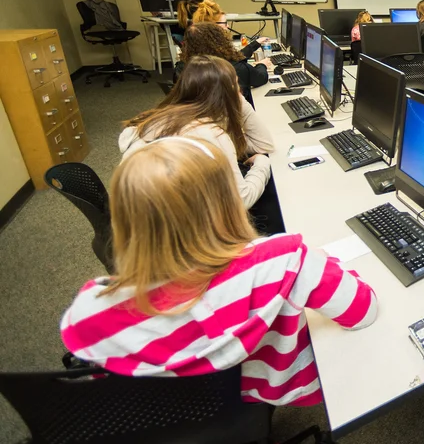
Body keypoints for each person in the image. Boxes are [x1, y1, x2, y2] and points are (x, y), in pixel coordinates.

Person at [59, 137, 377, 407]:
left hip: (151, 429)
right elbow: (364, 311)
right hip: (262, 393)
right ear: (226, 200)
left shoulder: (86, 312)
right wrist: (324, 264)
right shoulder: (285, 260)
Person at [120, 55, 274, 213]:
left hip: (144, 221)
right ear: (225, 93)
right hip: (184, 228)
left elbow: (261, 144)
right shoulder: (210, 134)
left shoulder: (160, 118)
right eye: (236, 85)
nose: (240, 90)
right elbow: (241, 201)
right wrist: (261, 163)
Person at [174, 23, 268, 104]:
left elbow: (237, 56)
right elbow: (261, 78)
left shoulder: (182, 68)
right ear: (219, 41)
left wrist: (254, 44)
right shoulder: (232, 68)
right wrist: (262, 65)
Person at [190, 0, 266, 59]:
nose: (228, 26)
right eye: (225, 23)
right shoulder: (216, 52)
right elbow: (236, 63)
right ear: (214, 26)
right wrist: (262, 66)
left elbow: (236, 58)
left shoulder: (200, 47)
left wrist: (255, 43)